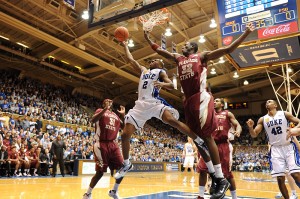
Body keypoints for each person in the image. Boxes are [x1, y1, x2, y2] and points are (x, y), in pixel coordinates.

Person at [144, 25, 254, 199]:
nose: (183, 46)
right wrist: (147, 38)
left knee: (207, 137)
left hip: (201, 97)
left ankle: (220, 177)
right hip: (188, 100)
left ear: (193, 48)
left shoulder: (202, 56)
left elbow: (229, 49)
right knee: (198, 140)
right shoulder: (178, 58)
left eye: (187, 44)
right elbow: (160, 51)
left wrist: (246, 33)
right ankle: (214, 175)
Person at [114, 41, 209, 185]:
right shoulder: (144, 71)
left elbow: (171, 85)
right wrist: (125, 45)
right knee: (125, 135)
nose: (152, 60)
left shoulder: (160, 72)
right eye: (151, 60)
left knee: (171, 121)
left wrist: (162, 84)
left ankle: (199, 140)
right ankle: (127, 164)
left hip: (154, 103)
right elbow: (130, 60)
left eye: (155, 60)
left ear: (161, 64)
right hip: (140, 105)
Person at [246, 99, 300, 199]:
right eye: (266, 102)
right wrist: (250, 127)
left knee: (296, 174)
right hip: (275, 149)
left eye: (270, 102)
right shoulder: (262, 119)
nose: (267, 103)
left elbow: (299, 121)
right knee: (280, 178)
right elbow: (254, 134)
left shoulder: (284, 114)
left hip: (288, 146)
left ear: (275, 105)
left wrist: (294, 129)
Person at [197, 98, 241, 199]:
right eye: (214, 101)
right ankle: (200, 195)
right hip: (209, 144)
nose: (214, 102)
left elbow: (237, 124)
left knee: (227, 174)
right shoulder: (208, 113)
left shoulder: (227, 114)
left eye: (217, 101)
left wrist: (238, 130)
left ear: (222, 104)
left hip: (222, 145)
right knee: (202, 169)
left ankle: (235, 197)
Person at [83, 99, 125, 199]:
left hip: (113, 144)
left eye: (111, 101)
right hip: (101, 144)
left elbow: (123, 126)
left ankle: (114, 191)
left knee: (123, 168)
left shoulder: (115, 115)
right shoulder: (99, 111)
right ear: (103, 104)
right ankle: (88, 194)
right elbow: (93, 120)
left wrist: (122, 115)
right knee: (100, 173)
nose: (110, 102)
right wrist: (104, 109)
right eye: (107, 101)